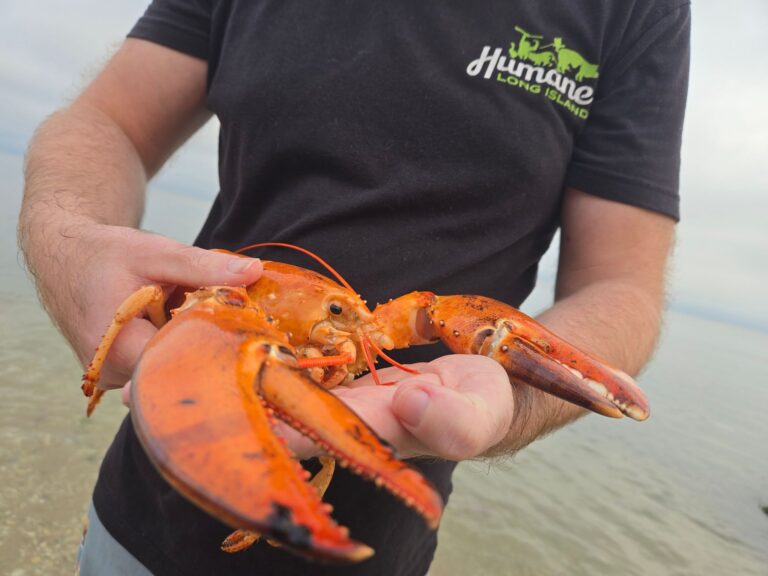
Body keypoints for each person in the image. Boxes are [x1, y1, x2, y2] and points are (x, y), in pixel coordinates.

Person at [19, 1, 689, 574]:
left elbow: (619, 280)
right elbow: (107, 120)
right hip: (138, 518)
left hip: (387, 546)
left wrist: (512, 403)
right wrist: (68, 238)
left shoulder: (637, 12)